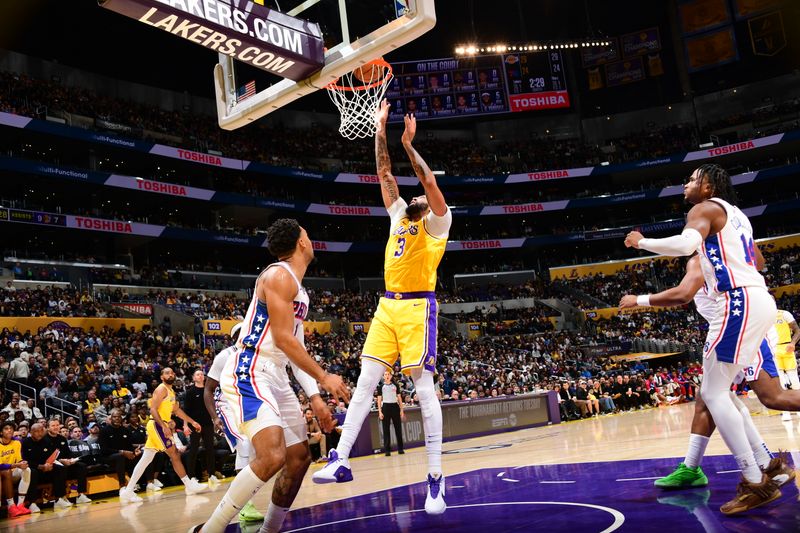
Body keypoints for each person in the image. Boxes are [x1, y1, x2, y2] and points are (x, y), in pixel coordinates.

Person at [314, 101, 451, 516]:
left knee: (423, 389)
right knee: (365, 381)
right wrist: (379, 128)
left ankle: (434, 477)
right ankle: (339, 458)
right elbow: (384, 174)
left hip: (417, 310)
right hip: (387, 307)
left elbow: (427, 182)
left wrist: (410, 145)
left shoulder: (438, 223)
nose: (411, 196)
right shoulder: (397, 215)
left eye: (419, 197)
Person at [624, 164, 780, 515]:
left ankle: (756, 482)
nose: (685, 184)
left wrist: (641, 242)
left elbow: (685, 244)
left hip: (738, 303)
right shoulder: (738, 215)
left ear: (708, 185)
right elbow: (757, 258)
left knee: (717, 394)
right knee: (719, 393)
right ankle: (765, 467)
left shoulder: (704, 208)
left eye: (692, 179)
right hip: (755, 300)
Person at [192, 219, 350, 533]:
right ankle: (209, 529)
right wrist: (324, 376)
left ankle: (270, 529)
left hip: (275, 373)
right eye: (307, 234)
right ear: (301, 243)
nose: (311, 238)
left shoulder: (299, 290)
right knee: (273, 455)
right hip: (250, 368)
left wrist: (316, 397)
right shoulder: (278, 275)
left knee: (298, 457)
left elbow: (296, 346)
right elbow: (282, 339)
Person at [619, 255, 798, 494]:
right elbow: (759, 260)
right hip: (735, 331)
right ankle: (702, 467)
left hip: (741, 332)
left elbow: (682, 294)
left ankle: (760, 468)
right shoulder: (722, 250)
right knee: (708, 397)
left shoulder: (703, 257)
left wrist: (638, 299)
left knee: (772, 397)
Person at [203, 322, 264, 523]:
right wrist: (214, 417)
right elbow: (208, 390)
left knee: (253, 450)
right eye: (241, 332)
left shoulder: (256, 355)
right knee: (244, 445)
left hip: (245, 405)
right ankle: (244, 505)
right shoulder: (224, 356)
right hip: (225, 406)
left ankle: (244, 500)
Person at [119, 367, 207, 502]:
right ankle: (189, 485)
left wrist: (192, 422)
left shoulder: (171, 392)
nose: (170, 374)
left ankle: (128, 491)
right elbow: (153, 409)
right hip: (157, 425)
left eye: (172, 372)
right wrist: (163, 426)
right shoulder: (161, 389)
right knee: (175, 454)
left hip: (160, 425)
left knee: (146, 459)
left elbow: (177, 411)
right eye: (167, 373)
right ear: (161, 377)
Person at [21, 422, 69, 512]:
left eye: (41, 431)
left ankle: (59, 498)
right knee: (32, 472)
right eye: (36, 431)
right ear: (31, 432)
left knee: (60, 468)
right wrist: (40, 466)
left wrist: (49, 464)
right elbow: (25, 461)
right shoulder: (25, 443)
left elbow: (51, 456)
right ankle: (32, 503)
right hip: (34, 468)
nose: (39, 433)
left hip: (46, 468)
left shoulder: (46, 441)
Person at [45, 418, 92, 505]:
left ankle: (81, 495)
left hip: (64, 463)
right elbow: (46, 457)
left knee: (81, 466)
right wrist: (61, 460)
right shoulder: (44, 440)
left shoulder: (62, 439)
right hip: (51, 466)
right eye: (53, 426)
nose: (56, 427)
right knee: (59, 468)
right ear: (48, 428)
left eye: (57, 425)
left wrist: (71, 460)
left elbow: (68, 453)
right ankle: (60, 498)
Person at [99, 408, 143, 492]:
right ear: (111, 418)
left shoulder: (125, 430)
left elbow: (129, 446)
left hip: (122, 455)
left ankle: (145, 483)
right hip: (107, 457)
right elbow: (104, 450)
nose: (117, 418)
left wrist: (134, 451)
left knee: (139, 455)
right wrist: (122, 452)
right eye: (114, 417)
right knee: (120, 457)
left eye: (119, 417)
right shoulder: (104, 431)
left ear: (121, 419)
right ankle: (122, 486)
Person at [184, 369, 217, 482]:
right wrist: (185, 425)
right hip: (195, 424)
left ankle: (212, 474)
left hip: (208, 423)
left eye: (202, 374)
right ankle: (191, 476)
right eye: (198, 374)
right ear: (193, 378)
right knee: (193, 449)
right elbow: (186, 411)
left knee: (210, 449)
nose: (201, 376)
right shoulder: (190, 392)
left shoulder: (209, 391)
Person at [0, 421, 31, 517]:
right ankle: (11, 506)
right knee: (6, 471)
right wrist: (15, 465)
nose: (9, 430)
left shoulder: (17, 442)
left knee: (27, 470)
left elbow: (19, 459)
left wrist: (22, 462)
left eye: (11, 429)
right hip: (3, 473)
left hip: (12, 472)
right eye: (6, 429)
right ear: (1, 432)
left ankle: (20, 504)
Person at [774, 309, 800, 421]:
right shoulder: (764, 315)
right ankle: (785, 412)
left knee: (794, 380)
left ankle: (798, 408)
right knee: (780, 382)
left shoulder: (784, 314)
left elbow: (797, 330)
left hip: (786, 348)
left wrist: (793, 343)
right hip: (773, 349)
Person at [377, 369, 405, 456]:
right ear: (383, 377)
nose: (387, 376)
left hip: (395, 407)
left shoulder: (395, 385)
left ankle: (400, 449)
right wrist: (380, 412)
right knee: (386, 430)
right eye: (385, 374)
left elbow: (399, 398)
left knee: (398, 429)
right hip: (385, 407)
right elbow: (379, 400)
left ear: (391, 376)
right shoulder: (381, 387)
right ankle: (387, 450)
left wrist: (401, 410)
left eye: (388, 374)